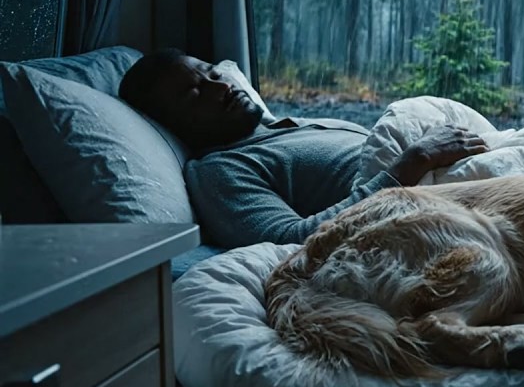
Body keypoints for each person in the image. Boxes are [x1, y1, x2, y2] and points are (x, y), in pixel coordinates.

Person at [118, 49, 487, 248]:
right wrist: (413, 161)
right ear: (172, 124)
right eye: (195, 94)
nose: (222, 87)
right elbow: (291, 242)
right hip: (444, 206)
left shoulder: (289, 125)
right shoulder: (221, 171)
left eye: (213, 73)